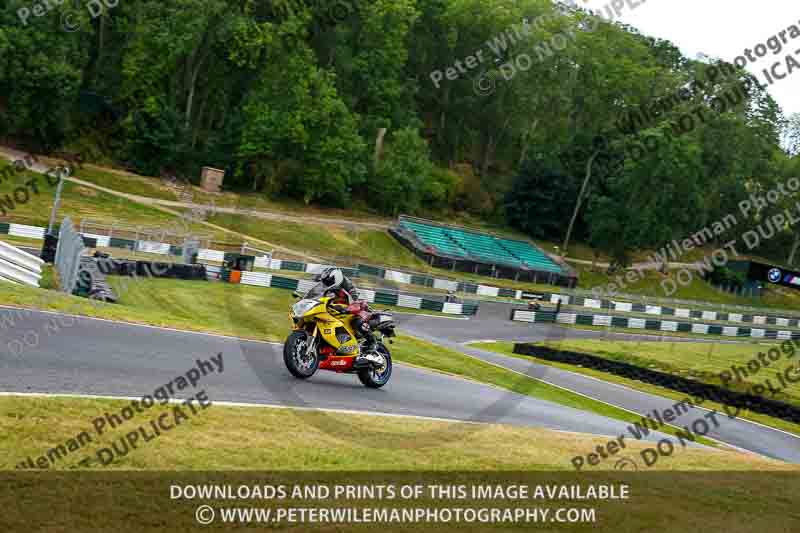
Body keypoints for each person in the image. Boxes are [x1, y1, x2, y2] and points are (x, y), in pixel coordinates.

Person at [309, 267, 377, 354]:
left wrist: (353, 303)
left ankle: (372, 341)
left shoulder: (345, 283)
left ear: (336, 277)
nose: (327, 282)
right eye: (326, 281)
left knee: (356, 322)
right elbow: (316, 294)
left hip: (349, 309)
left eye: (329, 280)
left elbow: (353, 294)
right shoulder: (324, 286)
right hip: (332, 309)